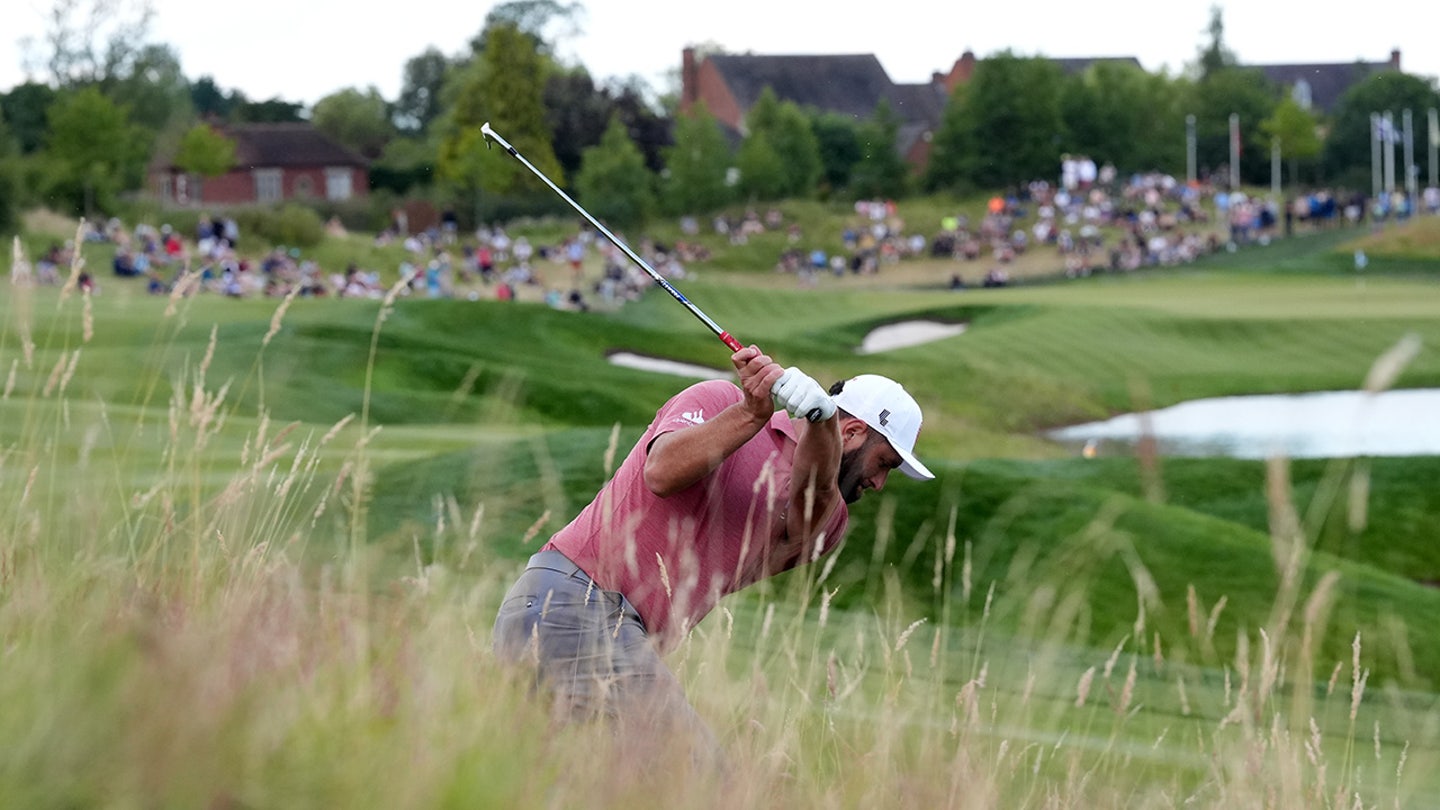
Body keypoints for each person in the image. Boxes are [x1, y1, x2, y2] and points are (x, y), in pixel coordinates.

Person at [491, 346, 934, 768]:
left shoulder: (830, 518)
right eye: (885, 463)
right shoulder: (718, 399)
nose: (879, 483)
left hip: (616, 636)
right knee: (699, 782)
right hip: (570, 603)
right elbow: (661, 473)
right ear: (854, 431)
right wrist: (749, 413)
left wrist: (820, 428)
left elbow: (811, 498)